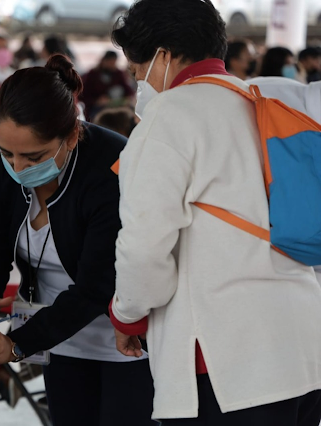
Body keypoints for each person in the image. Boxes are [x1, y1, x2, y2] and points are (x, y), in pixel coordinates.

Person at [109, 0, 321, 425]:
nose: (139, 86)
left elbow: (145, 249)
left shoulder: (167, 116)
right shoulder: (261, 100)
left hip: (229, 367)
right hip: (303, 350)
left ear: (164, 57)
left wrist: (126, 316)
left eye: (137, 71)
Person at [0, 54, 155, 425]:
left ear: (71, 135)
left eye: (33, 156)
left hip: (126, 339)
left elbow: (98, 284)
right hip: (56, 337)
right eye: (8, 153)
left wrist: (20, 343)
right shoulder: (1, 164)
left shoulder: (111, 167)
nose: (17, 168)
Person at [80, 51, 135, 120]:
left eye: (113, 62)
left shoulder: (118, 74)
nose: (111, 65)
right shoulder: (92, 75)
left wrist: (126, 99)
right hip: (97, 108)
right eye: (110, 62)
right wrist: (97, 101)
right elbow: (83, 95)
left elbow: (128, 91)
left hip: (115, 107)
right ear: (104, 61)